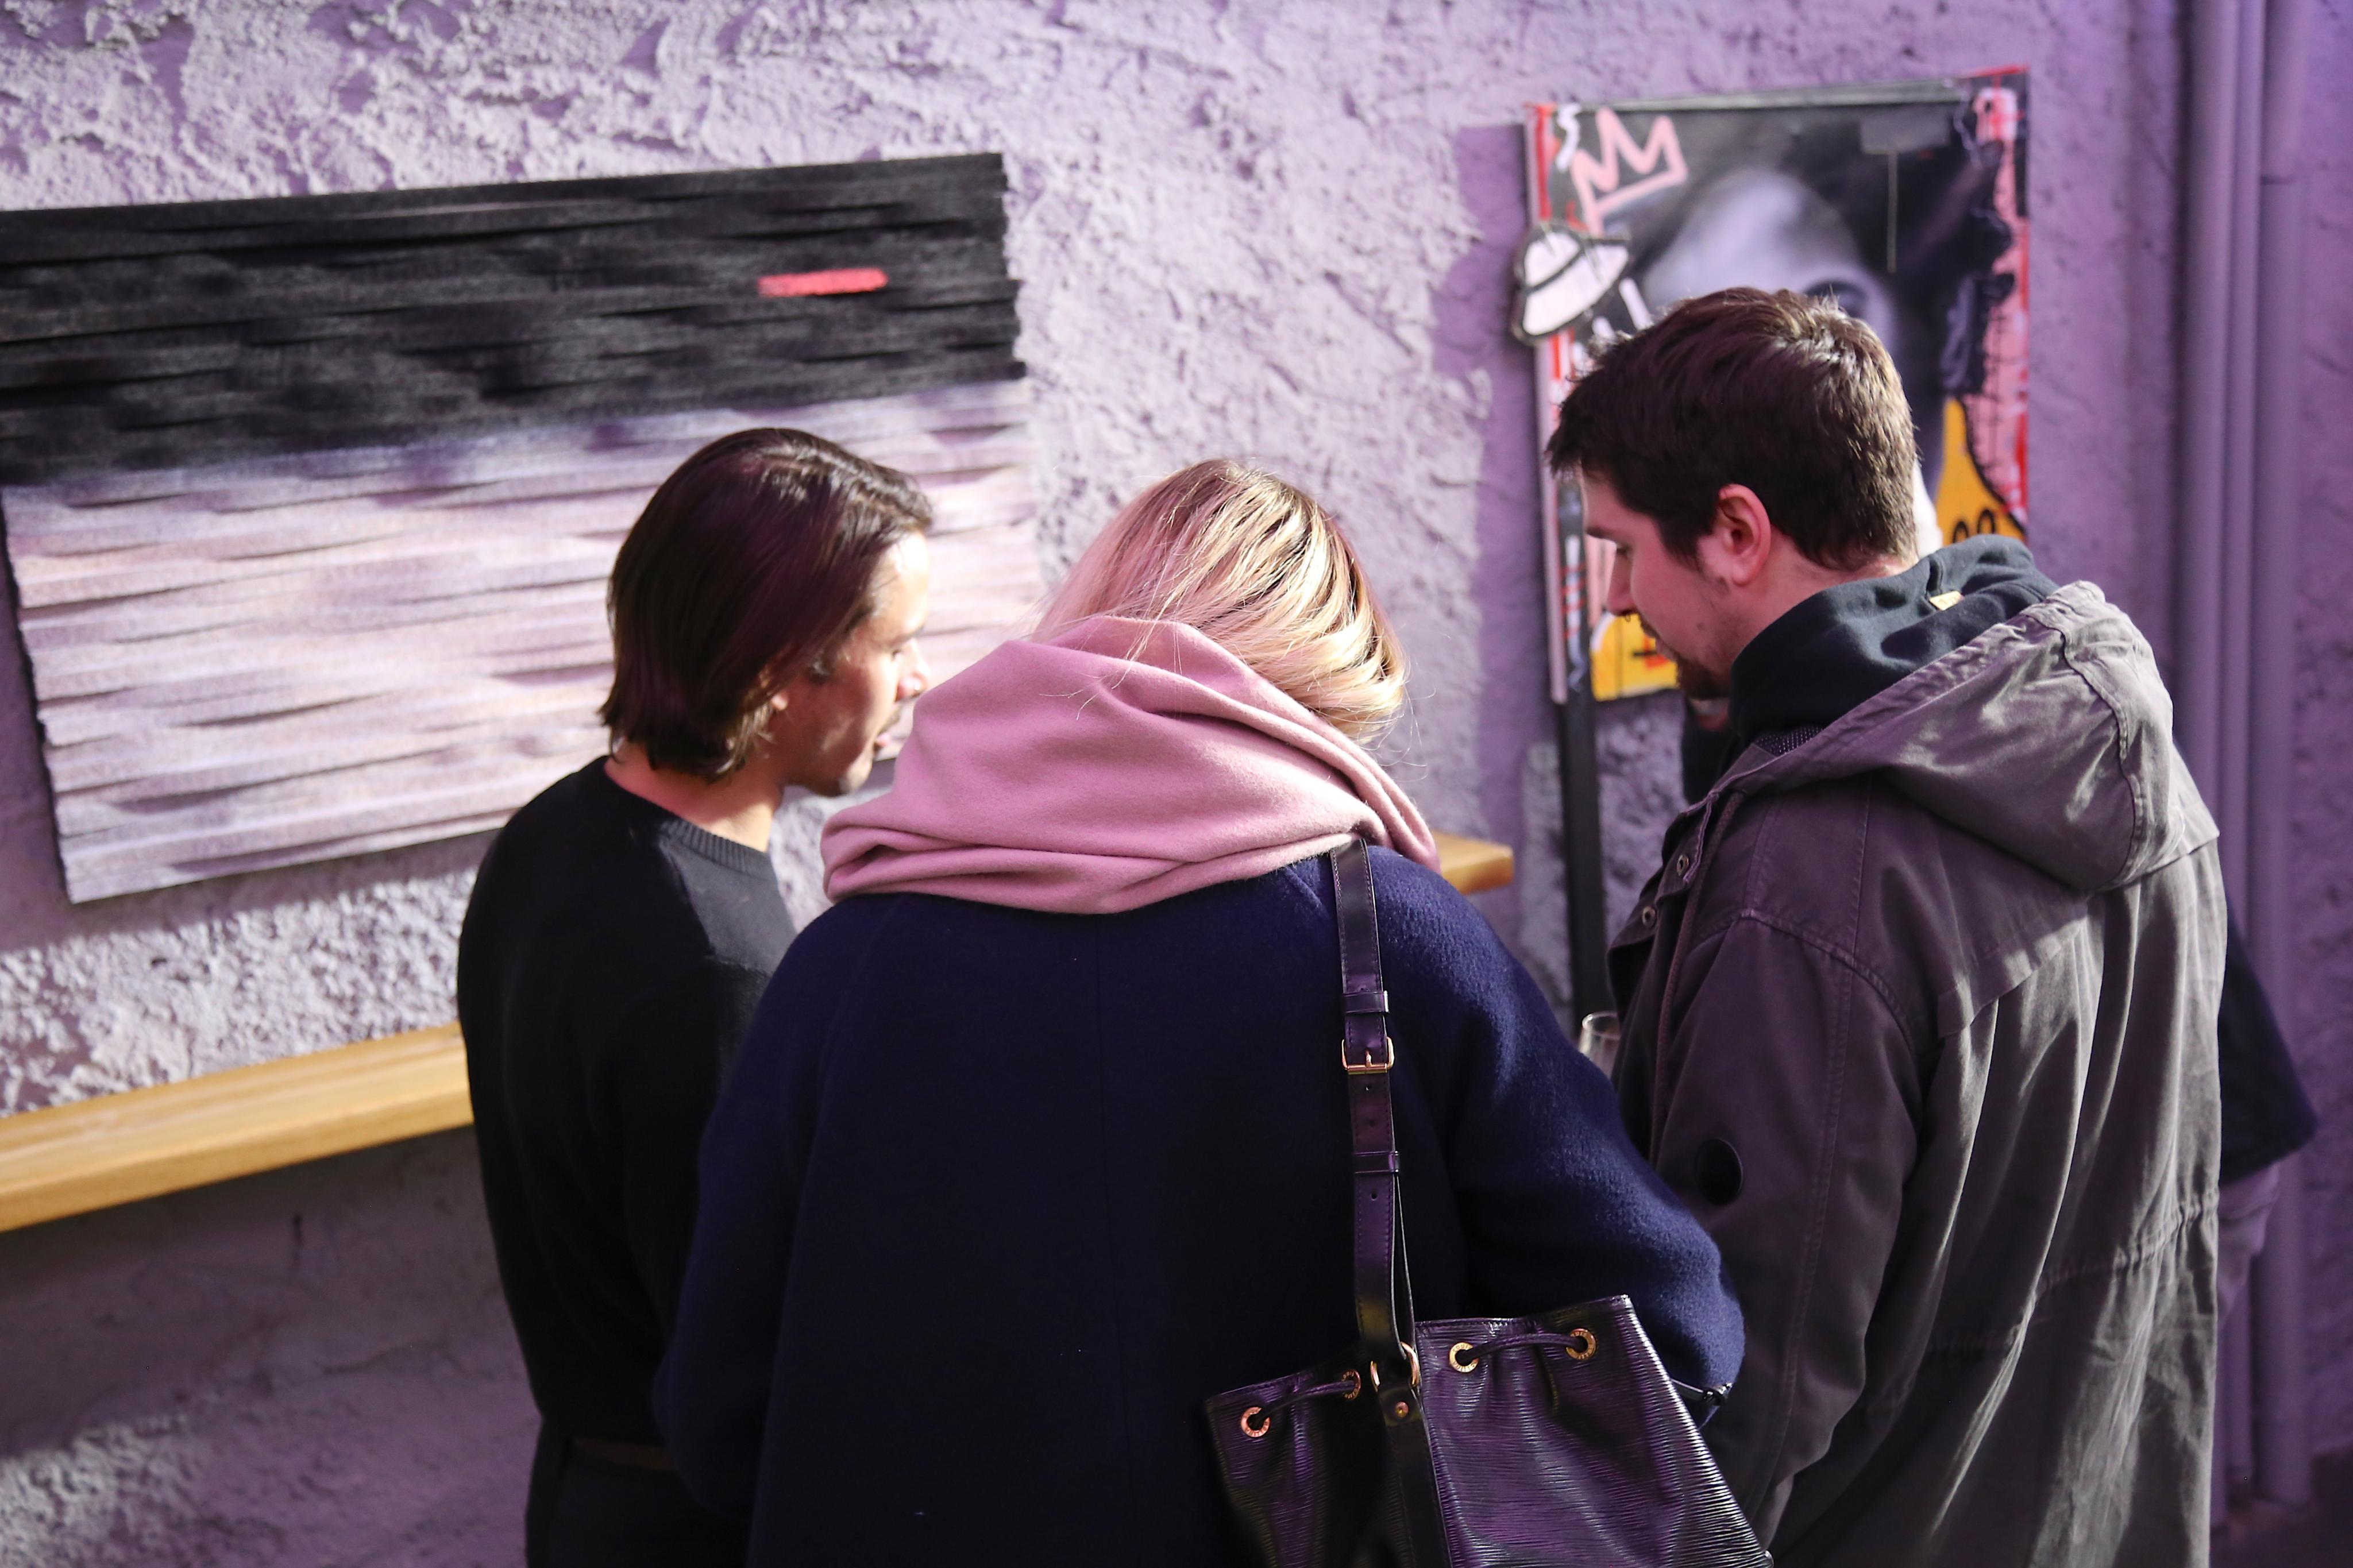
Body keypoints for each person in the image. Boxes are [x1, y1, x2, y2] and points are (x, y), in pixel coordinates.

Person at [653, 459, 1746, 1565]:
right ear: (1312, 698)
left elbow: (720, 1425)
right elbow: (1672, 1330)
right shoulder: (1394, 940)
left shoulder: (840, 971)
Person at [1549, 288, 2228, 1566]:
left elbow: (1751, 1377)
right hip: (2100, 1506)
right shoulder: (2115, 737)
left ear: (1736, 532)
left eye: (1621, 547)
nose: (1620, 596)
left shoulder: (1810, 875)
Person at [457, 429, 934, 1568]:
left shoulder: (546, 836)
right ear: (779, 670)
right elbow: (753, 1358)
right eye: (895, 645)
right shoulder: (716, 969)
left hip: (585, 1498)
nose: (919, 678)